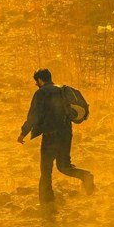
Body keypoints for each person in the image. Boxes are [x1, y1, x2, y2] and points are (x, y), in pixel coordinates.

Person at [18, 68, 94, 217]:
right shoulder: (63, 90)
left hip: (50, 136)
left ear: (40, 80)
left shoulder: (41, 93)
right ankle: (85, 176)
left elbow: (34, 115)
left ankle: (47, 204)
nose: (36, 84)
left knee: (46, 170)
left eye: (36, 82)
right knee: (64, 165)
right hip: (66, 133)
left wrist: (23, 133)